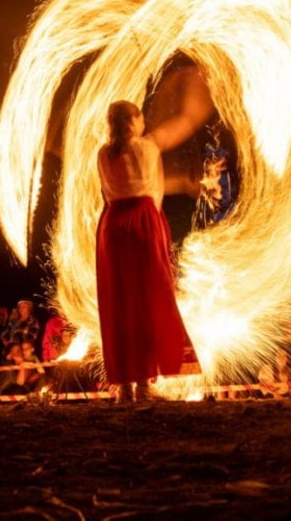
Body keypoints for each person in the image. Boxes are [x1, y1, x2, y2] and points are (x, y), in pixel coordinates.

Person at [96, 78, 211, 401]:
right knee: (147, 301)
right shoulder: (147, 145)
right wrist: (198, 99)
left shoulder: (103, 154)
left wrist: (181, 183)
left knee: (119, 305)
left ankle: (125, 387)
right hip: (143, 223)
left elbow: (125, 188)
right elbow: (183, 124)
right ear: (134, 122)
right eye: (140, 118)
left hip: (113, 226)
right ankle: (145, 385)